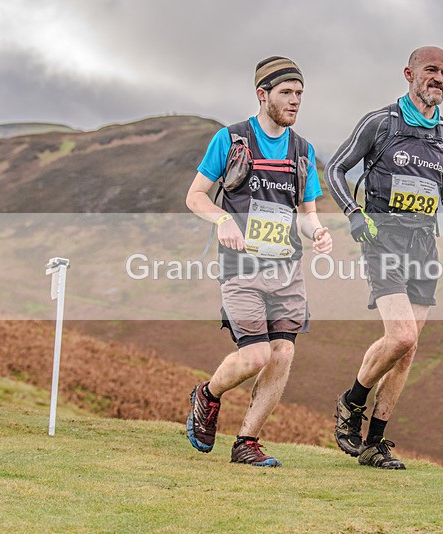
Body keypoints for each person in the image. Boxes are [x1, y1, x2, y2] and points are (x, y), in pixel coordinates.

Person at [325, 46, 443, 469]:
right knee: (401, 336)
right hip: (382, 239)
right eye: (431, 70)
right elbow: (336, 169)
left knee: (408, 350)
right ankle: (351, 402)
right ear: (409, 74)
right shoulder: (381, 122)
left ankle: (375, 443)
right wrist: (352, 213)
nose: (439, 78)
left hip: (424, 245)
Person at [184, 56, 331, 466]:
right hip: (241, 270)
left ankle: (247, 441)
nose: (295, 101)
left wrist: (318, 231)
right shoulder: (230, 140)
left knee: (283, 354)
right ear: (262, 94)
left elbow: (305, 213)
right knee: (255, 356)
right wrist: (223, 219)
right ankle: (208, 395)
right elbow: (195, 196)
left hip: (287, 271)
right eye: (287, 92)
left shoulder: (303, 150)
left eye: (300, 93)